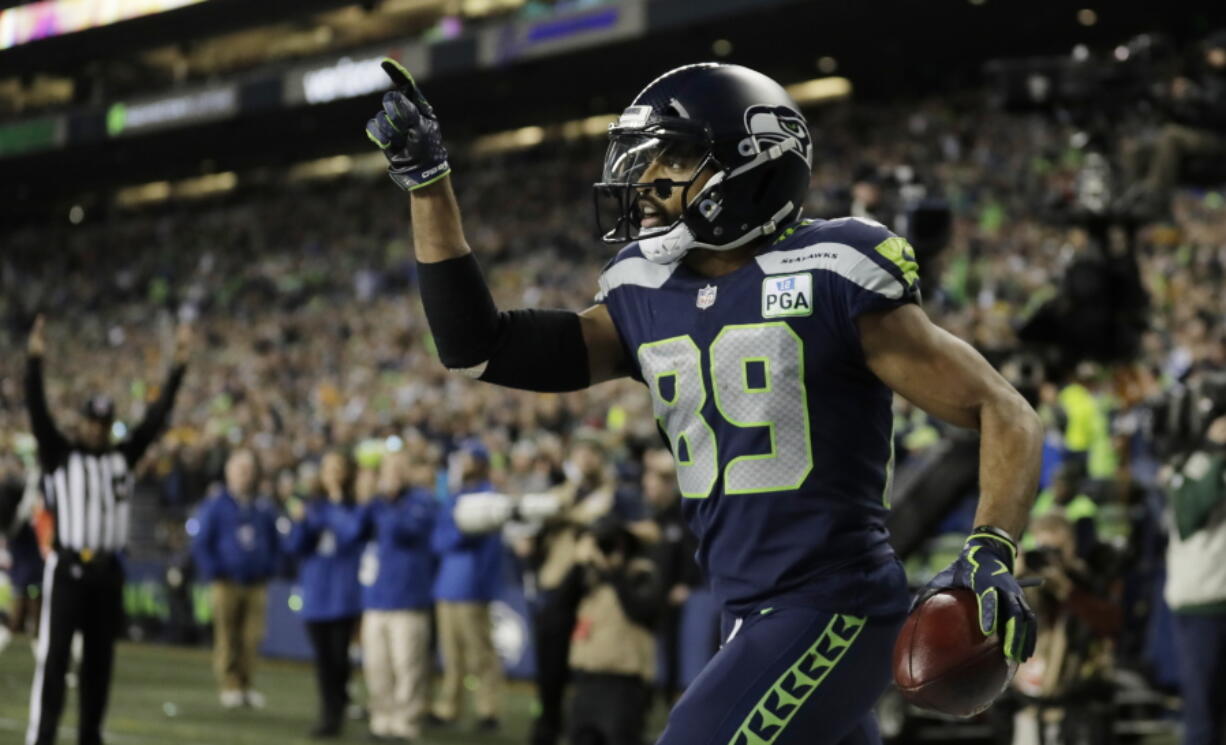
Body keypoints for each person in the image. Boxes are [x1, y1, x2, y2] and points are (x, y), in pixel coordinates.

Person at [365, 60, 1041, 744]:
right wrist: (429, 187)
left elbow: (1003, 409)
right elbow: (477, 346)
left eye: (678, 155)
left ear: (752, 162)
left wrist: (989, 547)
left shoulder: (833, 271)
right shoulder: (642, 293)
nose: (649, 175)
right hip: (746, 611)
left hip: (835, 605)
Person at [24, 314, 190, 745]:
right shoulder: (59, 454)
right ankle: (42, 737)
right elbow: (37, 410)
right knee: (55, 659)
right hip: (67, 569)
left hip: (107, 572)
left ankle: (89, 736)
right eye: (91, 422)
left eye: (103, 423)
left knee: (100, 663)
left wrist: (177, 370)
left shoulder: (122, 457)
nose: (96, 430)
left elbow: (155, 420)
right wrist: (35, 362)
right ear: (81, 423)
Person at [333, 450, 437, 743]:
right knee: (376, 665)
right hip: (376, 598)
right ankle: (382, 720)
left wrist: (383, 504)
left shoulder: (421, 501)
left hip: (409, 599)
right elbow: (350, 533)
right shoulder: (376, 505)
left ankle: (405, 724)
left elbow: (406, 530)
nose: (392, 475)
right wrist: (366, 504)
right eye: (388, 469)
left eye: (398, 469)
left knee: (408, 667)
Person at [526, 429, 615, 745]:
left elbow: (597, 518)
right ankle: (548, 725)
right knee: (549, 664)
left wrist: (560, 513)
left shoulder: (611, 495)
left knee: (590, 666)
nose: (586, 459)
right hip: (555, 584)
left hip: (593, 592)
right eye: (580, 453)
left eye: (592, 453)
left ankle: (586, 728)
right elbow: (531, 527)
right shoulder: (560, 493)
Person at [560, 514, 664, 745]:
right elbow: (557, 609)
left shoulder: (641, 573)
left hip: (623, 683)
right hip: (585, 678)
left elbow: (642, 612)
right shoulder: (588, 577)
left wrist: (614, 571)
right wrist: (578, 564)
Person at [192, 448, 280, 709]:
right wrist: (214, 570)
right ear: (229, 472)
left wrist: (268, 567)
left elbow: (275, 542)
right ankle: (229, 684)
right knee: (227, 636)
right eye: (240, 469)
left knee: (252, 637)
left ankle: (246, 684)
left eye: (248, 470)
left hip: (256, 582)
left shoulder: (262, 506)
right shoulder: (216, 505)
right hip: (226, 581)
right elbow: (201, 543)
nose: (245, 475)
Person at [285, 449, 364, 739]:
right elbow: (295, 546)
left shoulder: (353, 505)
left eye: (337, 468)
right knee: (323, 659)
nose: (332, 474)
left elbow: (351, 533)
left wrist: (333, 505)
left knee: (340, 656)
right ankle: (329, 711)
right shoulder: (311, 505)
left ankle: (338, 708)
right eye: (327, 468)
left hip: (343, 592)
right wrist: (303, 521)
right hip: (316, 589)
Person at [429, 440, 504, 732]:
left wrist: (456, 534)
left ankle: (489, 710)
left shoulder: (489, 497)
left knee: (480, 652)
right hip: (448, 584)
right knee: (451, 653)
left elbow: (474, 541)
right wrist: (458, 534)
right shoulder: (455, 496)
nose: (462, 465)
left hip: (472, 585)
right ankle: (448, 707)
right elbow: (439, 540)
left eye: (468, 460)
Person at [1164, 413, 1226, 745]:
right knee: (1203, 714)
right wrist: (1217, 453)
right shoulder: (1191, 465)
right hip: (1201, 604)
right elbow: (1190, 515)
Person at [638, 447, 701, 707]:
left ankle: (668, 698)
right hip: (647, 593)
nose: (649, 492)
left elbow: (693, 551)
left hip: (669, 593)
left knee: (670, 648)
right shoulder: (648, 515)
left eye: (653, 486)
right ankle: (646, 697)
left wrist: (685, 584)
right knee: (645, 646)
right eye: (647, 486)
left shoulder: (681, 514)